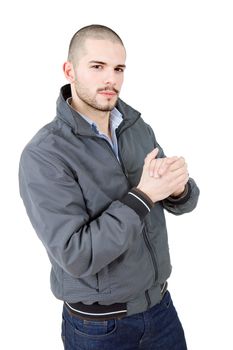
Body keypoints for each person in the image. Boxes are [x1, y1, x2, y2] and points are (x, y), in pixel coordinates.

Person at [19, 24, 200, 350]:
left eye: (118, 68)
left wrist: (178, 189)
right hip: (99, 330)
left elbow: (184, 200)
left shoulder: (135, 127)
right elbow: (76, 255)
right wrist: (143, 195)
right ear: (69, 70)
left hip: (161, 310)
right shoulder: (44, 154)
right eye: (98, 66)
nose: (111, 79)